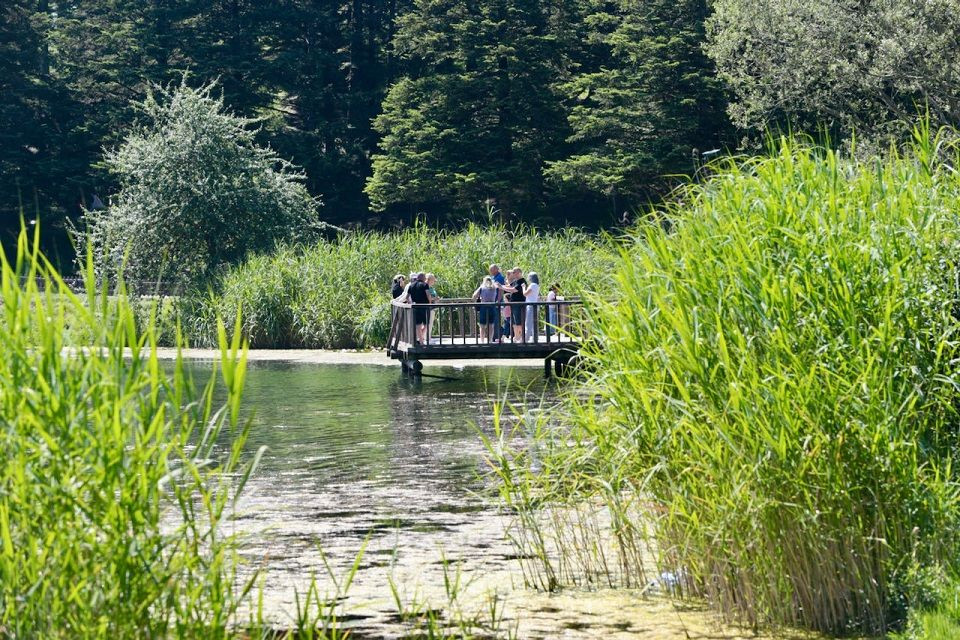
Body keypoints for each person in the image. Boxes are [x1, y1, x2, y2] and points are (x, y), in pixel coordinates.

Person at [499, 267, 527, 342]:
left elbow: (514, 290)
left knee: (519, 322)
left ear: (519, 273)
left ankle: (522, 337)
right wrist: (500, 286)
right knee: (514, 322)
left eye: (514, 272)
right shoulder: (516, 281)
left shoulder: (522, 281)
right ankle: (517, 337)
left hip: (519, 304)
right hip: (513, 304)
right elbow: (509, 286)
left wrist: (501, 287)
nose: (513, 273)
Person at [404, 272, 432, 345]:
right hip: (425, 306)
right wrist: (430, 303)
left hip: (416, 307)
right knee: (426, 324)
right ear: (422, 278)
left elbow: (407, 297)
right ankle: (421, 339)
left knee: (418, 325)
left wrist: (411, 304)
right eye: (425, 278)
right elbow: (428, 295)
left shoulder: (411, 285)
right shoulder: (425, 285)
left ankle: (421, 340)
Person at [472, 276, 499, 342]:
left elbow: (474, 296)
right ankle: (490, 340)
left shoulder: (482, 287)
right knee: (491, 325)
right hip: (492, 306)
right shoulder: (495, 287)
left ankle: (482, 341)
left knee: (482, 325)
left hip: (483, 306)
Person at [489, 264, 508, 339]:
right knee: (493, 319)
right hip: (492, 301)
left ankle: (497, 336)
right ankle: (499, 334)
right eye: (490, 270)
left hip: (497, 302)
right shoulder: (493, 277)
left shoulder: (500, 277)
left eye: (492, 270)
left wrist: (498, 301)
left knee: (496, 319)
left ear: (496, 269)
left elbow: (501, 290)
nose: (490, 271)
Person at [523, 272, 541, 342]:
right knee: (534, 323)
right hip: (535, 305)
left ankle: (526, 339)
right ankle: (535, 338)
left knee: (528, 323)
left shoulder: (532, 285)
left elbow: (525, 294)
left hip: (531, 306)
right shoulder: (536, 285)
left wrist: (523, 287)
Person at [426, 273, 440, 342]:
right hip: (428, 308)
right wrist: (435, 298)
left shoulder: (431, 288)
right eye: (433, 281)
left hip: (432, 308)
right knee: (427, 323)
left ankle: (428, 337)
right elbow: (427, 298)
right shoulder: (426, 287)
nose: (434, 282)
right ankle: (426, 338)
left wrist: (436, 298)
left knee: (430, 323)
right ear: (430, 280)